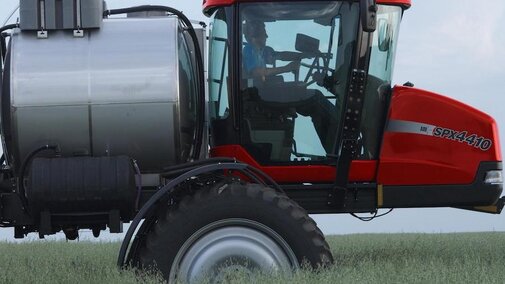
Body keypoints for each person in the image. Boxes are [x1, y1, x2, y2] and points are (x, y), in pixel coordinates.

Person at [241, 20, 340, 154]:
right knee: (315, 98)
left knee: (315, 108)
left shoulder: (262, 51)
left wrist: (303, 56)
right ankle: (342, 128)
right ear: (254, 35)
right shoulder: (248, 51)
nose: (267, 36)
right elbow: (257, 72)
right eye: (264, 33)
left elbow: (282, 55)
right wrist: (287, 68)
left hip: (266, 94)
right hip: (261, 97)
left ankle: (332, 150)